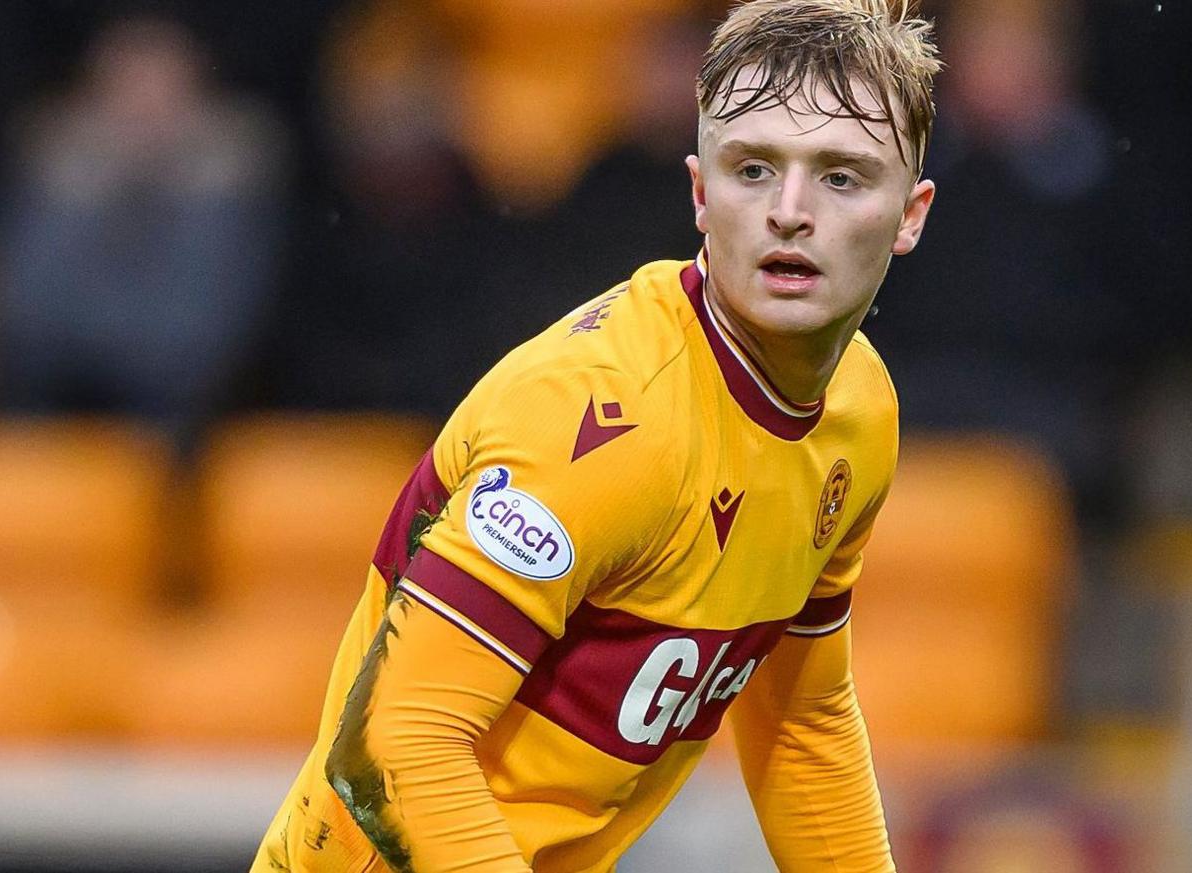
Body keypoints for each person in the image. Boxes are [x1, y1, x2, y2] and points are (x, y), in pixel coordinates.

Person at [254, 1, 939, 870]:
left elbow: (802, 716)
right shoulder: (608, 419)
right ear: (699, 192)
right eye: (754, 169)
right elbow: (399, 742)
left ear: (910, 214)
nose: (790, 212)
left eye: (841, 176)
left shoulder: (861, 410)